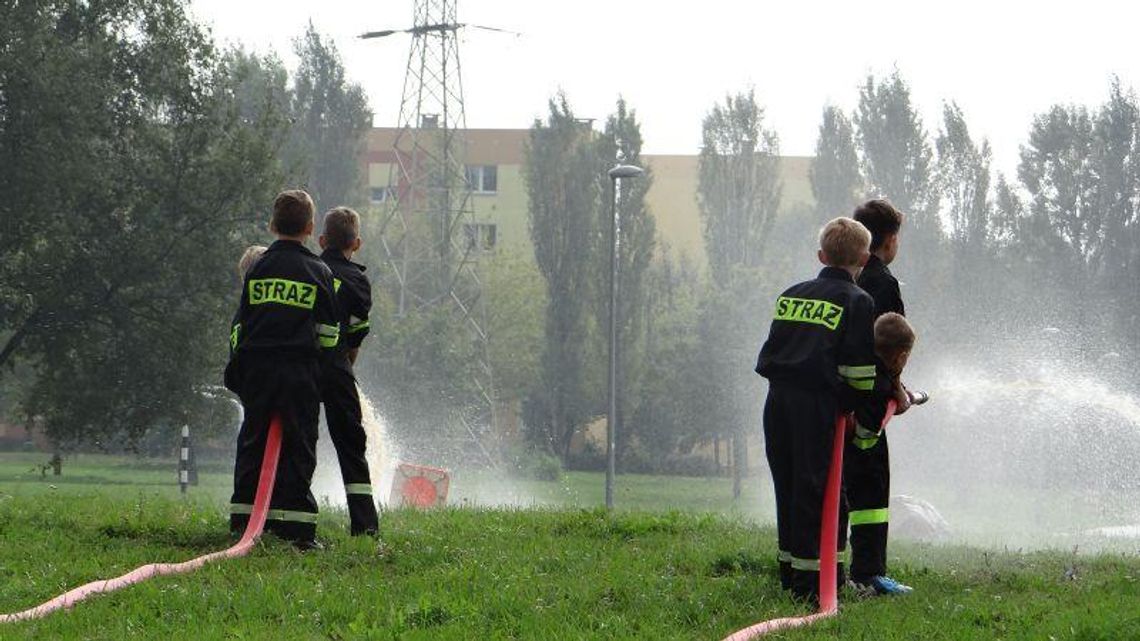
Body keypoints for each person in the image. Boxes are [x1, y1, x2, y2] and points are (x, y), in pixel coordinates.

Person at [755, 217, 879, 602]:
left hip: (777, 402)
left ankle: (790, 574)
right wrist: (852, 410)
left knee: (788, 485)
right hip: (817, 406)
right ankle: (817, 585)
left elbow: (777, 351)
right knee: (820, 491)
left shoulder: (791, 293)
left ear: (821, 255)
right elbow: (860, 374)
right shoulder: (858, 301)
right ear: (863, 259)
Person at [224, 190, 340, 550]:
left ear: (272, 226)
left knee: (252, 442)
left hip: (258, 371)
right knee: (299, 446)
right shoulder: (319, 271)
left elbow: (245, 321)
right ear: (309, 227)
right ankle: (297, 531)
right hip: (298, 373)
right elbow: (329, 334)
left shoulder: (257, 268)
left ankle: (243, 521)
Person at [847, 199, 913, 595]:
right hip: (870, 401)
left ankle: (831, 571)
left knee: (841, 484)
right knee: (871, 485)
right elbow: (888, 343)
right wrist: (897, 390)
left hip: (840, 397)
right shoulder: (883, 282)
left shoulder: (846, 273)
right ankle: (869, 573)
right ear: (888, 240)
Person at [317, 207, 379, 536]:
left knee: (299, 440)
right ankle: (365, 525)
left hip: (299, 368)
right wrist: (343, 366)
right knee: (351, 444)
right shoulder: (357, 280)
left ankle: (289, 514)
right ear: (357, 243)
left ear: (321, 240)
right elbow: (356, 335)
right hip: (337, 368)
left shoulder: (308, 270)